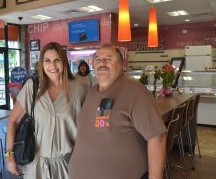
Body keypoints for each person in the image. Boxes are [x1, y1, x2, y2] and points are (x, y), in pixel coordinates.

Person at [69, 44, 167, 179]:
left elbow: (157, 137)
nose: (102, 63)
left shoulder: (135, 92)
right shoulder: (92, 92)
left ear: (121, 64)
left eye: (108, 59)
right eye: (98, 59)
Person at [5, 42, 86, 179]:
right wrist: (9, 157)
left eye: (57, 60)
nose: (52, 66)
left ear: (64, 62)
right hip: (36, 165)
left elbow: (86, 126)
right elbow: (12, 120)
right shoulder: (32, 86)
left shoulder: (78, 89)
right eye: (47, 60)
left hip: (68, 164)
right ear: (42, 63)